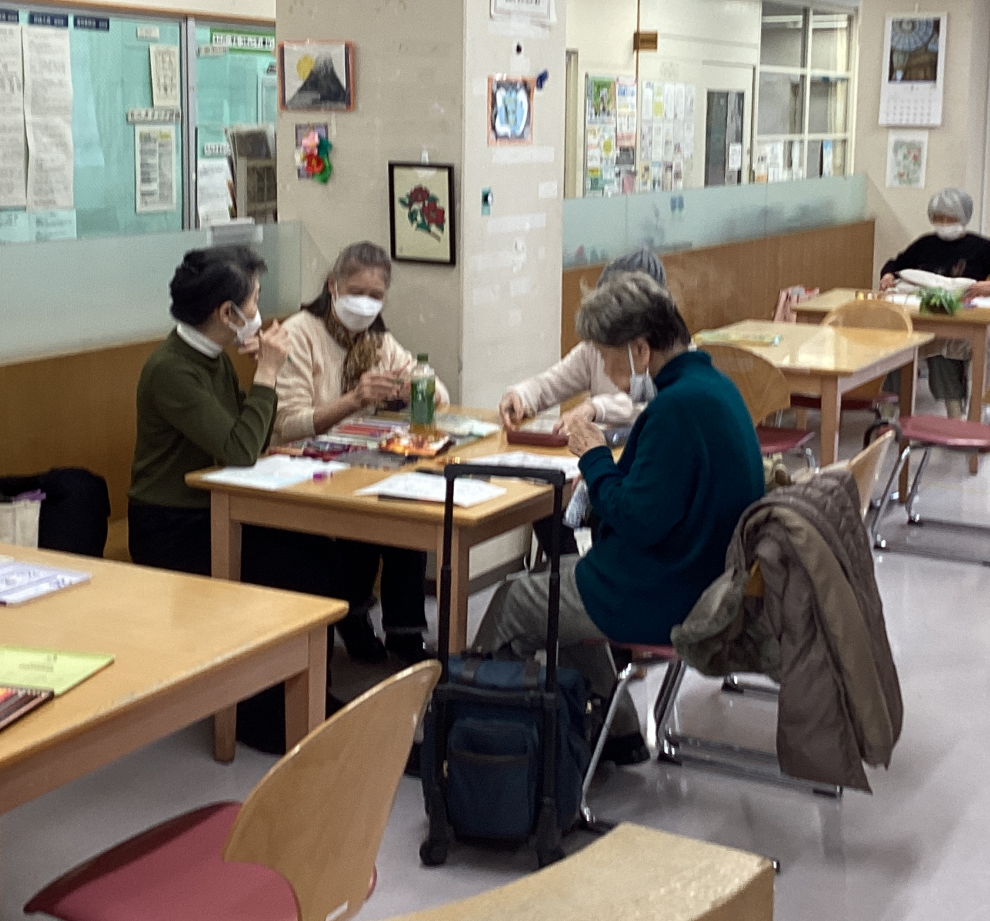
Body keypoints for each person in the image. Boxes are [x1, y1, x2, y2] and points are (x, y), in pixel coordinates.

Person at [474, 272, 764, 764]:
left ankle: (476, 742)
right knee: (560, 585)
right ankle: (619, 728)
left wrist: (594, 457)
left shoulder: (675, 409)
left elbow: (636, 519)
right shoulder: (714, 387)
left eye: (609, 360)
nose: (609, 374)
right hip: (705, 572)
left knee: (514, 601)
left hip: (672, 588)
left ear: (640, 350)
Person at [269, 241, 448, 664]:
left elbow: (438, 394)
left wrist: (410, 388)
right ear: (332, 286)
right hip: (303, 464)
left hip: (360, 458)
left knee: (408, 508)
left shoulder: (376, 340)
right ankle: (352, 614)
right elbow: (286, 424)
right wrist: (354, 399)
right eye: (356, 292)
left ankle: (405, 631)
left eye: (375, 295)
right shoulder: (299, 334)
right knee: (372, 513)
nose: (365, 304)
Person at [128, 245, 292, 574]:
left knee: (319, 551)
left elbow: (255, 441)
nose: (258, 312)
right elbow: (240, 451)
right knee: (303, 566)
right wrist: (267, 373)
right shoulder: (171, 369)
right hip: (171, 524)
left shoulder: (214, 355)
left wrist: (266, 374)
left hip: (215, 507)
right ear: (227, 313)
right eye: (255, 300)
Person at [879, 186, 990, 416]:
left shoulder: (981, 248)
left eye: (950, 219)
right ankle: (887, 412)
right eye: (938, 219)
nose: (944, 224)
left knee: (944, 352)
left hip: (964, 322)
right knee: (901, 349)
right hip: (925, 318)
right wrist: (888, 275)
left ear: (963, 218)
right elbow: (896, 264)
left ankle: (956, 414)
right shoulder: (925, 244)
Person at [498, 246, 668, 434]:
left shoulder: (670, 356)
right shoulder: (593, 349)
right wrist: (521, 395)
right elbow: (551, 384)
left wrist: (595, 408)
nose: (606, 367)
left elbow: (650, 407)